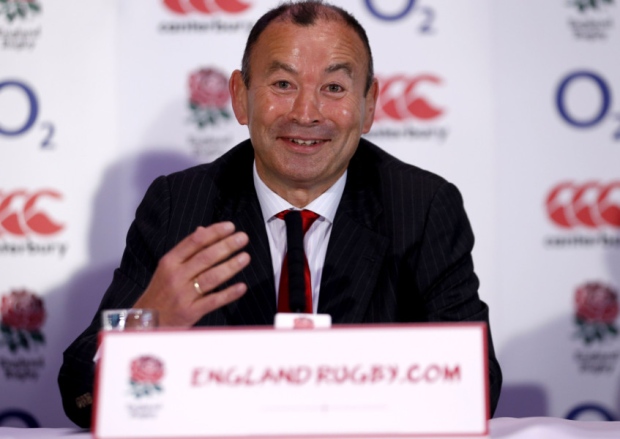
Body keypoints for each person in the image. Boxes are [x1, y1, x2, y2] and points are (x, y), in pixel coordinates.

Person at [59, 0, 502, 427]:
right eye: (283, 84)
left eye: (333, 88)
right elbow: (80, 396)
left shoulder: (420, 206)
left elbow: (477, 386)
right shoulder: (179, 206)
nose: (306, 114)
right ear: (239, 96)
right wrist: (146, 324)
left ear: (368, 106)